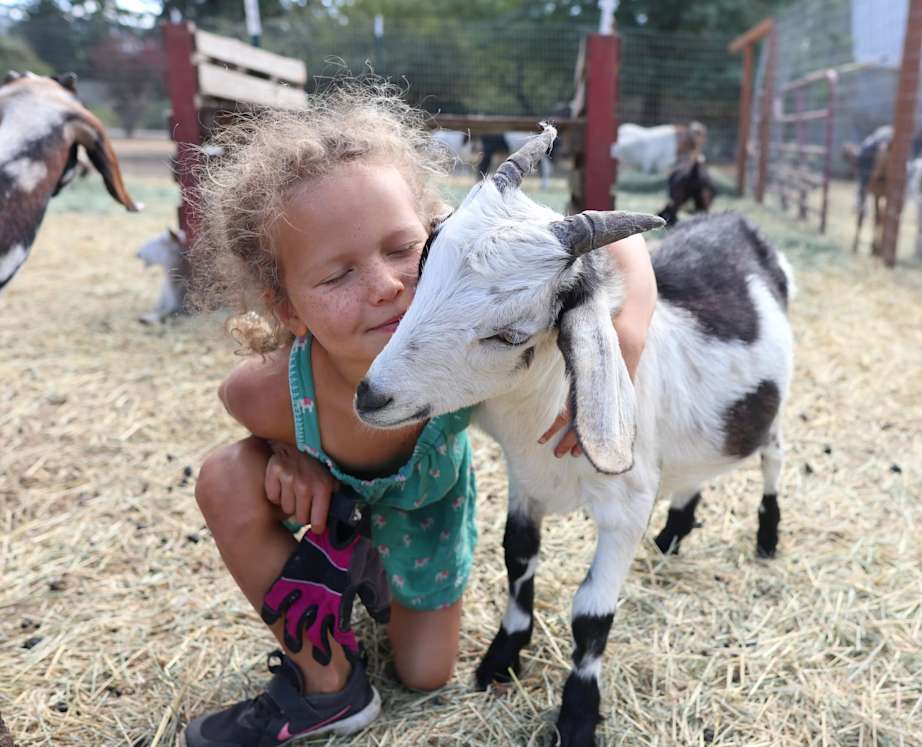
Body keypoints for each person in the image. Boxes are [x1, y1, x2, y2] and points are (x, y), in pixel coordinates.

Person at [181, 85, 658, 746]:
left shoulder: (467, 360)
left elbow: (617, 242)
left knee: (426, 672)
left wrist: (625, 338)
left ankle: (371, 577)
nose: (385, 285)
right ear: (286, 307)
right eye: (337, 274)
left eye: (403, 248)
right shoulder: (265, 393)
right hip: (326, 516)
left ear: (444, 237)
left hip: (426, 518)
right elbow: (247, 423)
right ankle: (328, 685)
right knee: (224, 476)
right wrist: (283, 456)